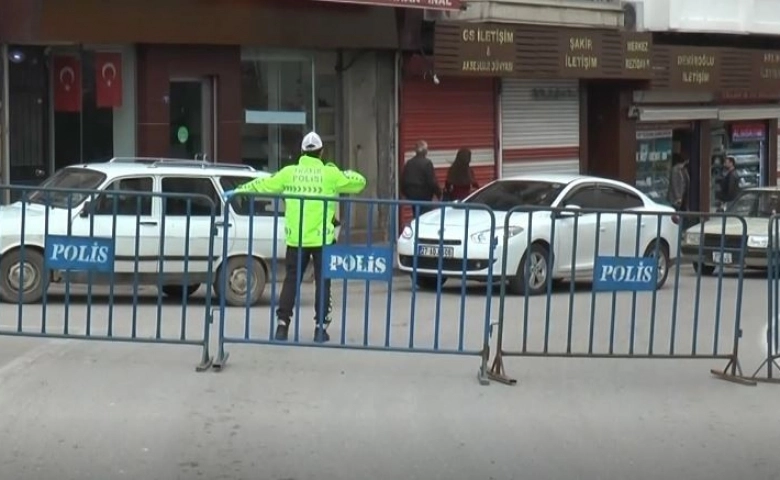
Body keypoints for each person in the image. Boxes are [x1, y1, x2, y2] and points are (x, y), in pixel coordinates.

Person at [224, 132, 367, 343]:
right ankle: (320, 329)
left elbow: (262, 185)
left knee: (291, 281)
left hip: (296, 239)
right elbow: (359, 182)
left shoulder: (289, 173)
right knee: (323, 282)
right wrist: (335, 170)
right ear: (321, 152)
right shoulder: (329, 174)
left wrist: (237, 191)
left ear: (301, 152)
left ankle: (282, 327)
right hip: (322, 240)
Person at [400, 140, 441, 215]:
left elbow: (403, 179)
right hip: (424, 195)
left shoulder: (409, 162)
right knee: (425, 215)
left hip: (411, 195)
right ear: (425, 151)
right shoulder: (427, 163)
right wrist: (439, 194)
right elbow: (431, 181)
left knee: (416, 214)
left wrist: (404, 193)